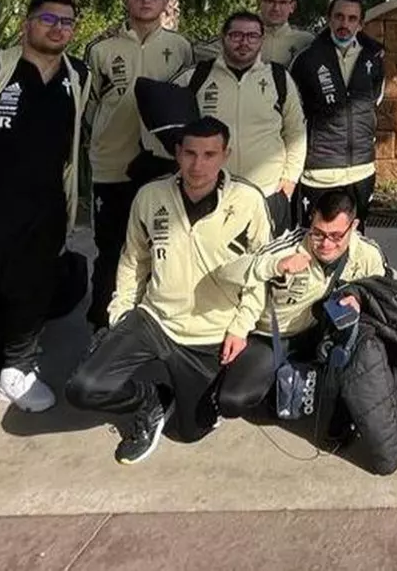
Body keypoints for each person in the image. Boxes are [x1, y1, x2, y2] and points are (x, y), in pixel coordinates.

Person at [65, 117, 271, 464]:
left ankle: (183, 398)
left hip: (210, 331)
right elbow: (134, 260)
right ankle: (150, 400)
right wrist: (121, 311)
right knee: (84, 387)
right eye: (190, 153)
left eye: (209, 154)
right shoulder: (150, 196)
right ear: (177, 153)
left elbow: (260, 272)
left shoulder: (248, 200)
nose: (197, 165)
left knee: (189, 432)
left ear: (226, 155)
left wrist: (241, 326)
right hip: (155, 319)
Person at [0, 0, 91, 411]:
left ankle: (17, 368)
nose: (58, 28)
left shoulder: (78, 75)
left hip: (45, 204)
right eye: (48, 18)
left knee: (31, 288)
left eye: (67, 22)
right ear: (26, 24)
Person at [217, 189, 389, 420]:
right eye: (318, 233)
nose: (326, 244)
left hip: (321, 335)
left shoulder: (368, 254)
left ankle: (333, 403)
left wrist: (360, 298)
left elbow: (383, 295)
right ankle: (275, 388)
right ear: (311, 220)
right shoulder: (287, 246)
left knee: (362, 351)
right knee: (232, 401)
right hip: (273, 337)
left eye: (336, 236)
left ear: (354, 226)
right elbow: (226, 272)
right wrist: (275, 267)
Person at [84, 0, 195, 330]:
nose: (146, 0)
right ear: (127, 0)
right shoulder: (101, 50)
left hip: (162, 163)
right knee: (111, 247)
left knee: (162, 246)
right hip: (112, 163)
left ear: (165, 2)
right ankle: (103, 326)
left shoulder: (181, 47)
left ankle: (153, 327)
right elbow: (89, 107)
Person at [171, 12, 307, 234]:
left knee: (267, 256)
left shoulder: (278, 77)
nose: (244, 42)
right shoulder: (196, 77)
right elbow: (166, 123)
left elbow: (296, 131)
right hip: (210, 191)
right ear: (223, 37)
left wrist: (290, 178)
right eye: (236, 35)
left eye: (252, 36)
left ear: (261, 40)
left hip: (268, 191)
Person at [290, 0, 385, 230]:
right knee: (315, 237)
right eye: (339, 17)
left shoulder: (373, 58)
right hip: (320, 169)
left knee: (355, 238)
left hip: (361, 169)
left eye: (352, 19)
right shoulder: (307, 59)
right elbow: (294, 111)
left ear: (360, 24)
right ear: (329, 19)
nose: (345, 24)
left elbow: (374, 100)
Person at [193, 0, 314, 66]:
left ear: (292, 7)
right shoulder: (238, 35)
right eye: (270, 1)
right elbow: (197, 52)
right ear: (259, 3)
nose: (276, 8)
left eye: (282, 3)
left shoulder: (306, 41)